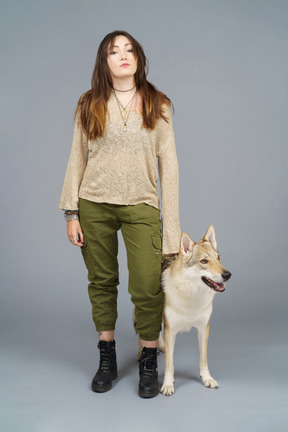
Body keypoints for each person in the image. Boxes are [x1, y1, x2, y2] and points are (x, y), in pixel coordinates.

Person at [59, 30, 181, 398]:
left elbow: (169, 165)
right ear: (105, 61)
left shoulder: (158, 103)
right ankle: (107, 355)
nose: (123, 55)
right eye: (115, 51)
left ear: (139, 58)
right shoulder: (88, 103)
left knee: (147, 284)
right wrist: (71, 212)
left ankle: (148, 358)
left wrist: (172, 232)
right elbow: (77, 156)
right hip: (93, 203)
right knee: (102, 280)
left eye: (130, 50)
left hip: (142, 204)